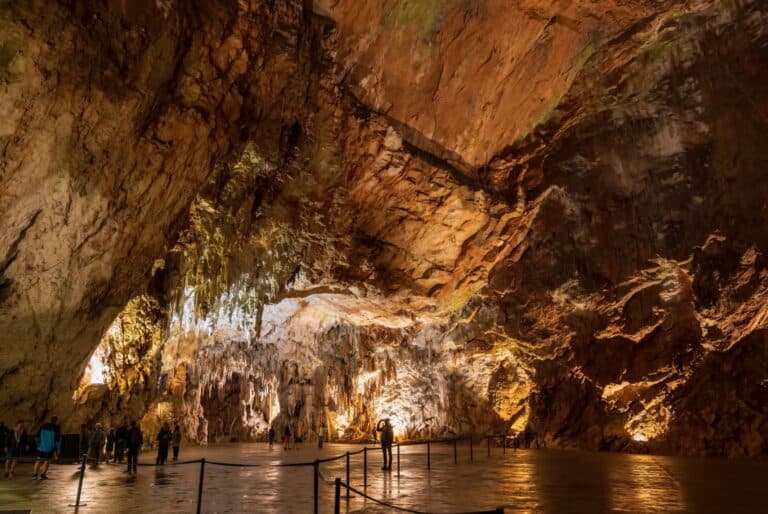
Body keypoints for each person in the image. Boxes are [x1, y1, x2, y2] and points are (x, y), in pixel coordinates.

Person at [33, 416, 61, 480]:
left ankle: (35, 474)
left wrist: (38, 444)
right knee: (47, 461)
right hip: (49, 448)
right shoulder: (56, 428)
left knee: (38, 460)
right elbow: (57, 440)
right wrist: (58, 449)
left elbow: (37, 437)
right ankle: (43, 474)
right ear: (56, 421)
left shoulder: (43, 426)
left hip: (41, 447)